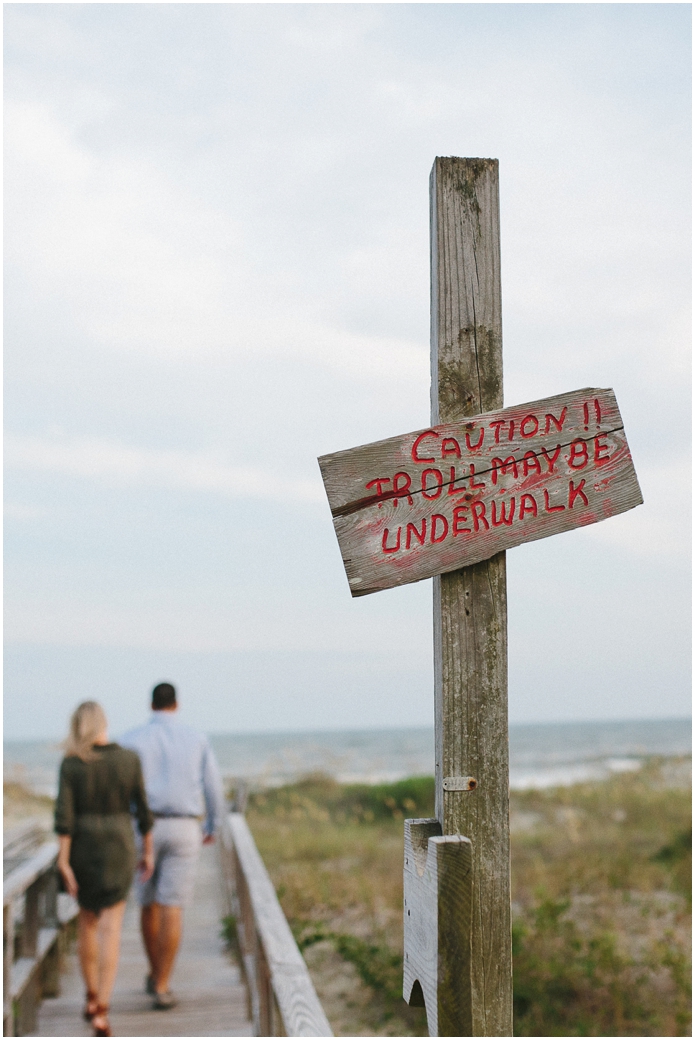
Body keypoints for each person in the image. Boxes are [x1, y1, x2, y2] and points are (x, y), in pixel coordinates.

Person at [121, 682, 225, 1010]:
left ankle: (155, 973)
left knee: (148, 903)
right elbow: (214, 787)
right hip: (183, 826)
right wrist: (213, 825)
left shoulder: (130, 740)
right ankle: (164, 983)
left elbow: (122, 789)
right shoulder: (196, 738)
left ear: (151, 704)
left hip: (143, 827)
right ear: (176, 704)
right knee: (173, 906)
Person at [55, 701, 154, 1038]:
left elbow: (64, 819)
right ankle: (103, 1010)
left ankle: (91, 996)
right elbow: (143, 810)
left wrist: (63, 860)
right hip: (119, 845)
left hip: (83, 846)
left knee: (87, 922)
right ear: (103, 723)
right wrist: (149, 851)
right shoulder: (129, 759)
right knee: (111, 928)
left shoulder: (71, 764)